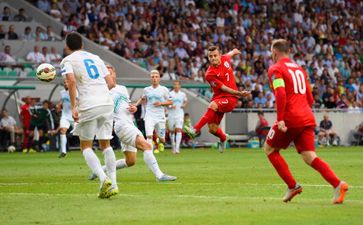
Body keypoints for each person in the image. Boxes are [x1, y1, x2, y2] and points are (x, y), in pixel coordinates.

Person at [264, 39, 348, 204]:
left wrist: (281, 119)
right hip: (306, 116)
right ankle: (338, 184)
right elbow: (310, 97)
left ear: (274, 53)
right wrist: (303, 112)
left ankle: (292, 185)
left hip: (290, 117)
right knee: (310, 156)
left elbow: (280, 94)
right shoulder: (300, 69)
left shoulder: (275, 68)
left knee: (270, 149)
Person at [89, 65, 176, 181]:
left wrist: (133, 108)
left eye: (111, 73)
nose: (109, 75)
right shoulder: (103, 92)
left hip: (129, 123)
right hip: (121, 125)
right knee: (147, 146)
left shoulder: (122, 88)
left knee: (130, 161)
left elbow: (127, 105)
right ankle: (159, 175)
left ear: (114, 74)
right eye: (107, 74)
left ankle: (100, 169)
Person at [60, 32, 117, 198]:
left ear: (67, 47)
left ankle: (103, 178)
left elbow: (71, 81)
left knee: (85, 146)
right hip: (107, 103)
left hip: (89, 104)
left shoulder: (67, 60)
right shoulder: (96, 57)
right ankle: (113, 184)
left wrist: (73, 107)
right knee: (105, 144)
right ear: (82, 45)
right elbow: (112, 83)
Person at [184, 45, 249, 152]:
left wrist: (234, 51)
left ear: (220, 55)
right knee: (212, 129)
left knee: (213, 105)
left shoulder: (225, 59)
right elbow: (223, 88)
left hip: (231, 98)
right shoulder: (210, 74)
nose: (213, 58)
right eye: (210, 56)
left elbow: (229, 54)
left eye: (215, 55)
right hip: (220, 97)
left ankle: (194, 130)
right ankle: (223, 138)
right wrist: (240, 93)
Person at [135, 70, 173, 154]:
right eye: (153, 77)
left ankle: (161, 142)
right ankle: (149, 154)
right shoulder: (146, 90)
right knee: (149, 135)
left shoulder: (164, 89)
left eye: (156, 77)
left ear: (159, 78)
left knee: (162, 138)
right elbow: (143, 99)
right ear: (150, 78)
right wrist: (135, 105)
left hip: (160, 117)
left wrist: (161, 103)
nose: (154, 79)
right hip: (149, 115)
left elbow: (170, 102)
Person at [58, 78, 77, 158]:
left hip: (74, 116)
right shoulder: (62, 93)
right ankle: (63, 151)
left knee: (80, 134)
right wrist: (59, 105)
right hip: (65, 115)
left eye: (67, 82)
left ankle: (87, 148)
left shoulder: (75, 92)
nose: (65, 84)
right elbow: (62, 101)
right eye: (64, 82)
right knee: (63, 131)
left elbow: (79, 102)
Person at [168, 80, 188, 154]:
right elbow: (167, 103)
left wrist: (184, 105)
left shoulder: (182, 94)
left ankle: (177, 148)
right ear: (173, 86)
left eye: (177, 85)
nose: (176, 86)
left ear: (180, 86)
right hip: (171, 114)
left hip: (179, 114)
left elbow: (185, 101)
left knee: (179, 130)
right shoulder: (170, 94)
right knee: (172, 131)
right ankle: (173, 145)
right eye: (175, 85)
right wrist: (170, 105)